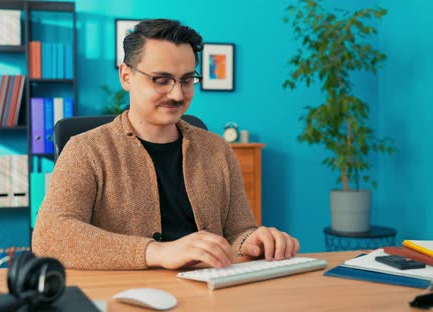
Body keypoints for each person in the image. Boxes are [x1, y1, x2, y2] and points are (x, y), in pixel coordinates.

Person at [32, 18, 300, 270]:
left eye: (186, 80)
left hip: (211, 291)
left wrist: (253, 241)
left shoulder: (217, 149)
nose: (177, 94)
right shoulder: (85, 150)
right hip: (129, 294)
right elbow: (51, 235)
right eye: (161, 80)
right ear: (126, 76)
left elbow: (238, 232)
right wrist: (158, 252)